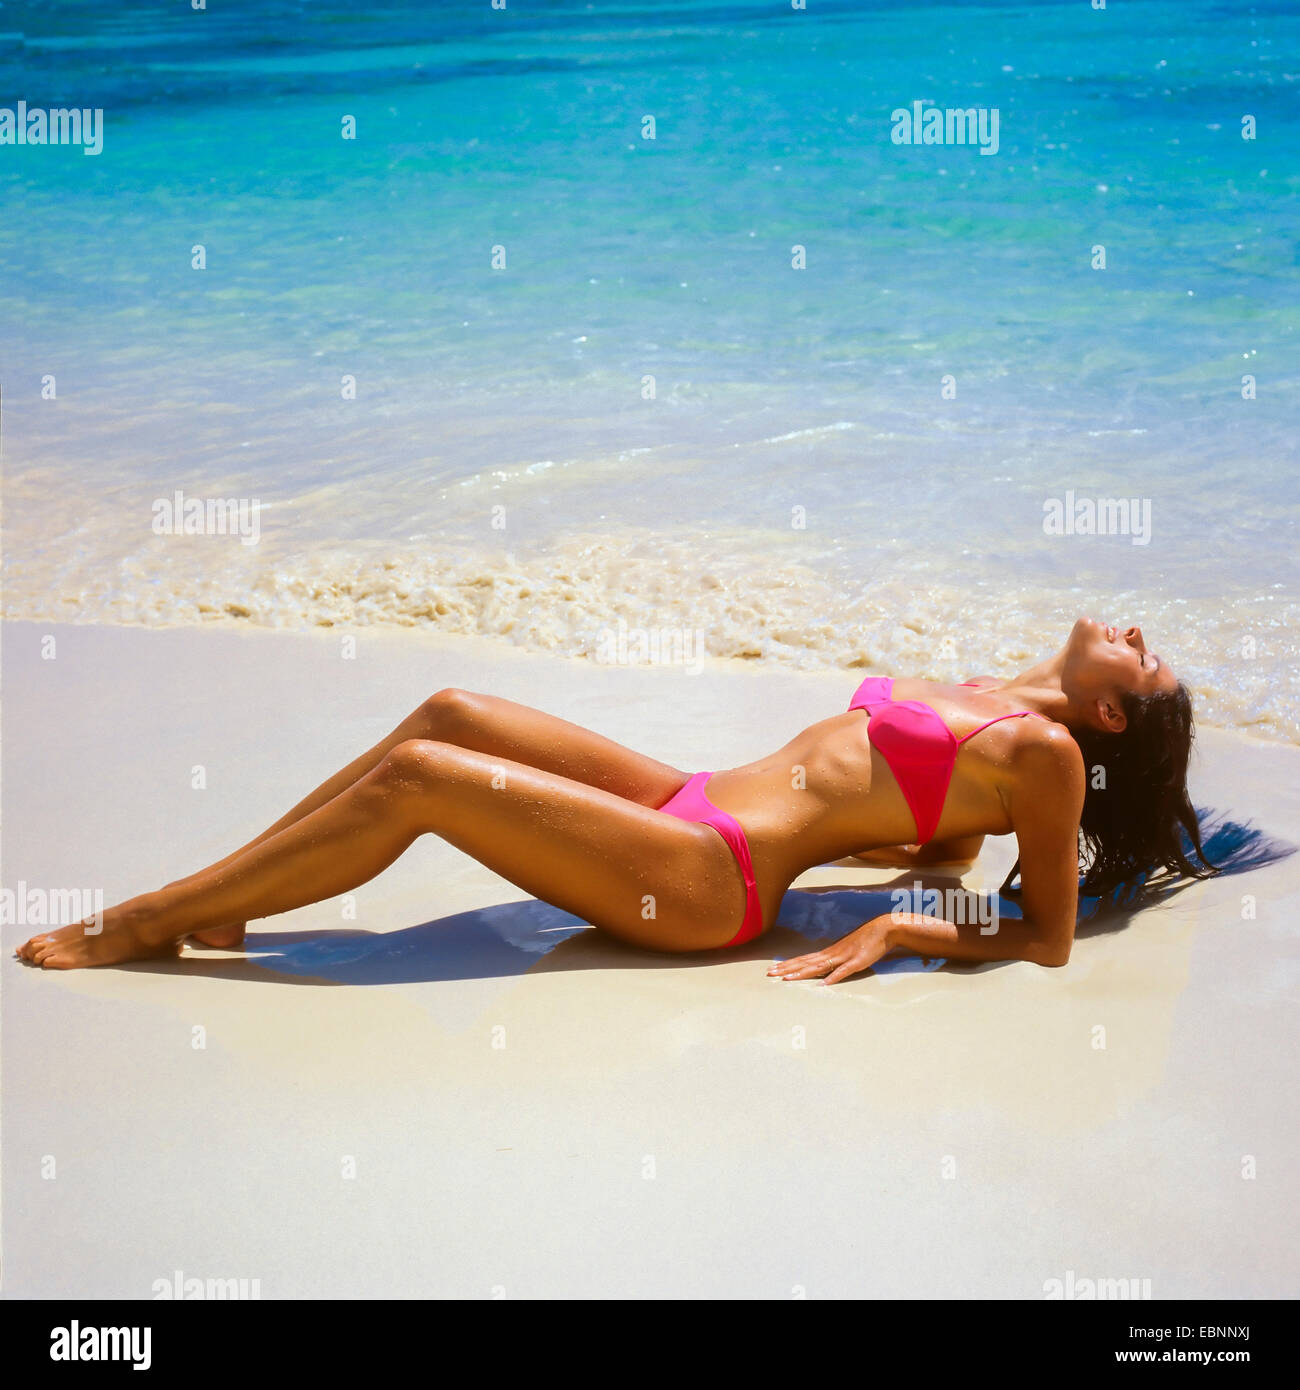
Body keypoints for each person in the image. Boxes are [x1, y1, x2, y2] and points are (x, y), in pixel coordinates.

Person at [15, 616, 1221, 978]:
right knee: (448, 713)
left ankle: (146, 920)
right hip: (689, 799)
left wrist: (905, 924)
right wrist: (928, 860)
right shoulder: (991, 694)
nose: (1133, 632)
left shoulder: (1051, 757)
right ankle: (229, 906)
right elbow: (947, 832)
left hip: (712, 880)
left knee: (424, 783)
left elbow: (1051, 937)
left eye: (1145, 658)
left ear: (1112, 715)